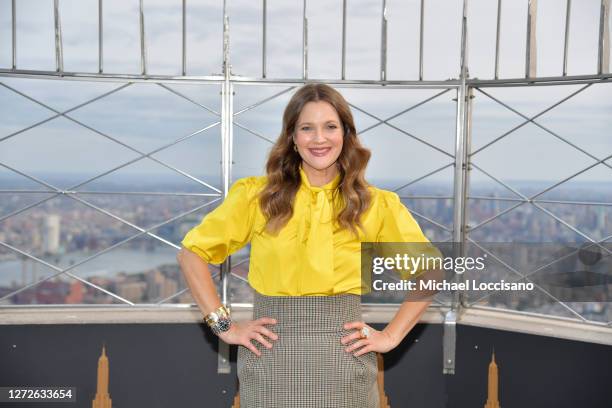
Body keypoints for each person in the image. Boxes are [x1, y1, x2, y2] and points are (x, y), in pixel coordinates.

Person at [177, 83, 438, 408]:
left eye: (330, 127)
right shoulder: (257, 197)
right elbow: (192, 254)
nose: (319, 139)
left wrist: (391, 336)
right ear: (292, 137)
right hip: (270, 362)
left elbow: (430, 272)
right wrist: (225, 327)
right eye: (306, 128)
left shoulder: (376, 205)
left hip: (346, 364)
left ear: (345, 133)